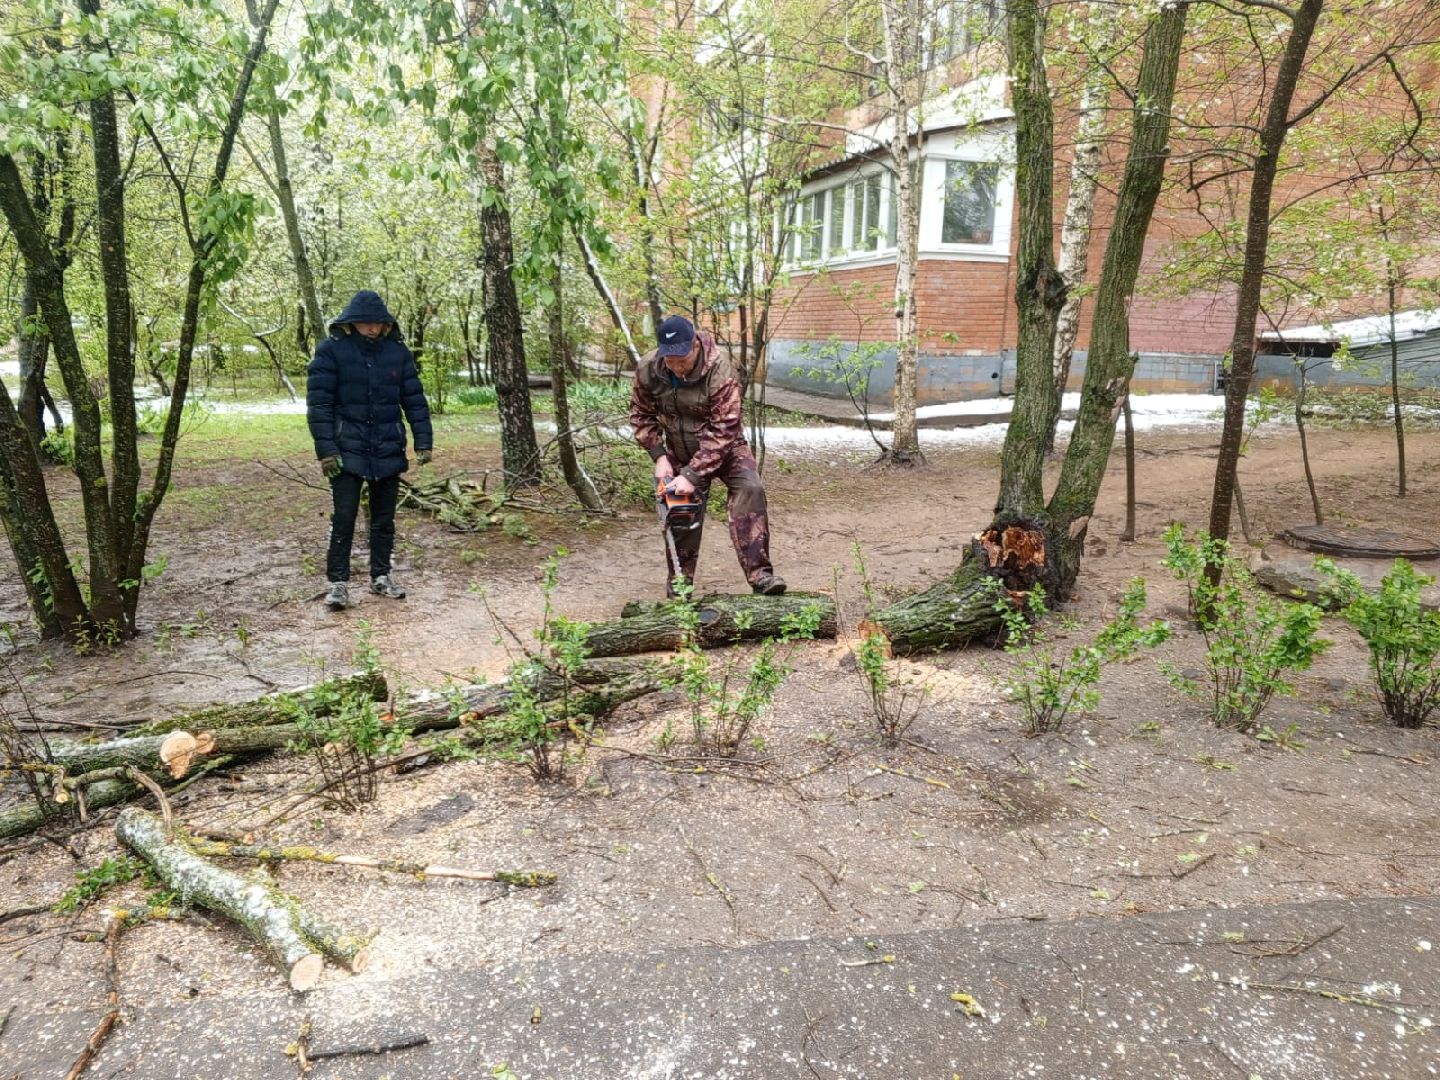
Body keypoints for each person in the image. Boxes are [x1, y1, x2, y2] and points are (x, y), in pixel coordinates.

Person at [630, 314, 785, 596]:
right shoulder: (649, 368)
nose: (676, 368)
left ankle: (761, 576)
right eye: (670, 361)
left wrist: (692, 474)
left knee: (750, 490)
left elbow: (724, 428)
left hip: (725, 448)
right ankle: (680, 587)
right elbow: (640, 415)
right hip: (678, 449)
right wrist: (659, 455)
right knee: (680, 510)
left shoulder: (720, 368)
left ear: (696, 347)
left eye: (682, 360)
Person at [306, 290, 434, 611]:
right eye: (365, 323)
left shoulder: (398, 354)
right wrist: (326, 450)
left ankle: (381, 576)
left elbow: (414, 401)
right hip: (346, 451)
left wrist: (423, 440)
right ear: (351, 322)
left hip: (387, 449)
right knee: (344, 518)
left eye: (378, 323)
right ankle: (338, 584)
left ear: (386, 324)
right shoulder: (330, 352)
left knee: (383, 520)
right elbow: (319, 405)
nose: (372, 329)